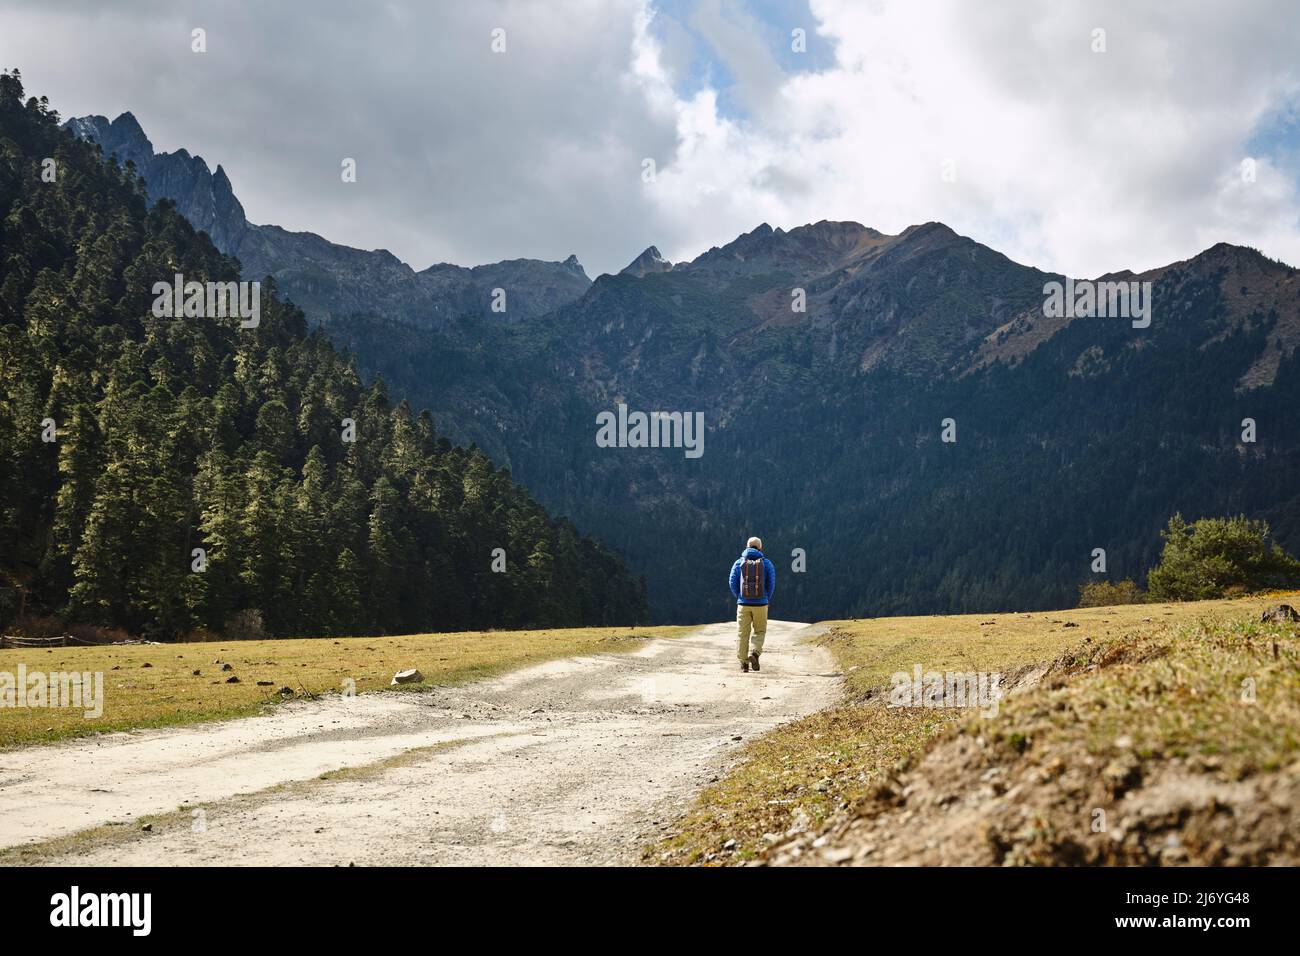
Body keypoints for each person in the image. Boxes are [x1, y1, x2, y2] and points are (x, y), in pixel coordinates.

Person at [729, 536, 775, 672]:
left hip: (743, 603)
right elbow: (771, 584)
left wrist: (739, 596)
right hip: (761, 604)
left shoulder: (738, 563)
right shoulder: (767, 564)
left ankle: (744, 664)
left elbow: (732, 582)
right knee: (760, 631)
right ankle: (754, 653)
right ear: (760, 548)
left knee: (742, 633)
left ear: (746, 546)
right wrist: (766, 598)